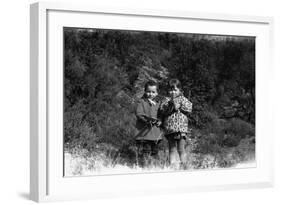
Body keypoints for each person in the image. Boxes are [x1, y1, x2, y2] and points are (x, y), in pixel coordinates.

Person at [159, 79, 192, 169]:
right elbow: (162, 111)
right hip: (170, 129)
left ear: (180, 91)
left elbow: (189, 108)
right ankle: (172, 166)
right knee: (172, 149)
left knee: (181, 148)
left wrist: (180, 106)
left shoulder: (183, 99)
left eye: (175, 90)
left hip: (181, 129)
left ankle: (184, 165)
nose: (172, 92)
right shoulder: (166, 100)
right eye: (171, 90)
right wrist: (171, 106)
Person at [135, 81, 163, 167]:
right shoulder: (141, 102)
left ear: (157, 92)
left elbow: (161, 115)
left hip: (155, 133)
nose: (151, 94)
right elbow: (138, 113)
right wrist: (147, 120)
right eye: (148, 91)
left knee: (155, 151)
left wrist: (160, 120)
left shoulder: (159, 103)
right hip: (144, 133)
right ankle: (145, 167)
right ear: (145, 91)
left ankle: (155, 167)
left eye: (153, 92)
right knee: (145, 151)